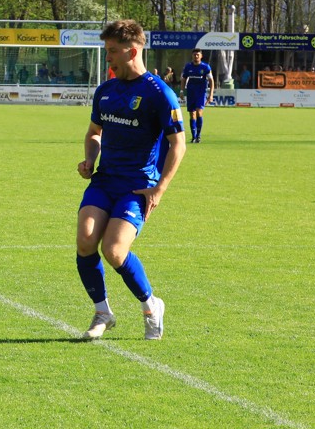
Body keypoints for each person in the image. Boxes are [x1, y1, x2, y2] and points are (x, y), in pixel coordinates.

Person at [76, 19, 186, 341]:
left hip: (137, 186)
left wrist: (159, 189)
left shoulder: (159, 94)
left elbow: (178, 145)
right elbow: (94, 133)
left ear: (132, 51)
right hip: (104, 180)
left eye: (112, 51)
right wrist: (90, 159)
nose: (107, 57)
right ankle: (102, 312)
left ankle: (151, 306)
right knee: (85, 240)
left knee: (114, 250)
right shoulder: (105, 91)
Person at [181, 48, 214, 143]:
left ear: (201, 56)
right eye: (194, 55)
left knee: (199, 112)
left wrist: (211, 94)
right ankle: (193, 136)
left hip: (201, 93)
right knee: (192, 114)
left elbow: (211, 81)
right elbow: (183, 79)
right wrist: (182, 91)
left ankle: (198, 136)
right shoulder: (188, 67)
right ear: (192, 56)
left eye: (198, 55)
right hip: (191, 93)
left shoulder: (205, 67)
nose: (196, 56)